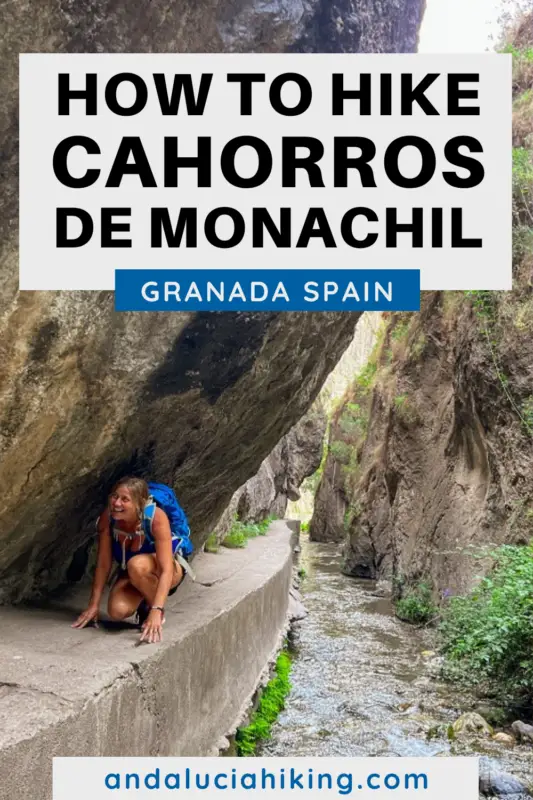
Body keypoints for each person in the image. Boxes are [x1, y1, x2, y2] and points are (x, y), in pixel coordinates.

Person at [72, 476, 186, 643]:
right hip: (134, 573)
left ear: (139, 503)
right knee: (117, 611)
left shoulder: (156, 518)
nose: (116, 503)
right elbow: (104, 564)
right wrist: (93, 605)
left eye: (125, 499)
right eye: (114, 496)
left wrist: (157, 609)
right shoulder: (109, 519)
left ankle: (151, 608)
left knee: (136, 565)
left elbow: (166, 569)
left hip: (167, 570)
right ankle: (145, 603)